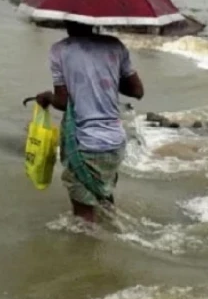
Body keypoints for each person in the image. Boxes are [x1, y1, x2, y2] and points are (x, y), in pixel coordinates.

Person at [35, 21, 144, 223]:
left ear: (65, 20)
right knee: (104, 198)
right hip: (115, 143)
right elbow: (137, 91)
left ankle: (88, 252)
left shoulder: (60, 50)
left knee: (84, 220)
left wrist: (48, 97)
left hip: (86, 143)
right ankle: (113, 246)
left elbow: (62, 101)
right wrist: (106, 77)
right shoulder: (115, 45)